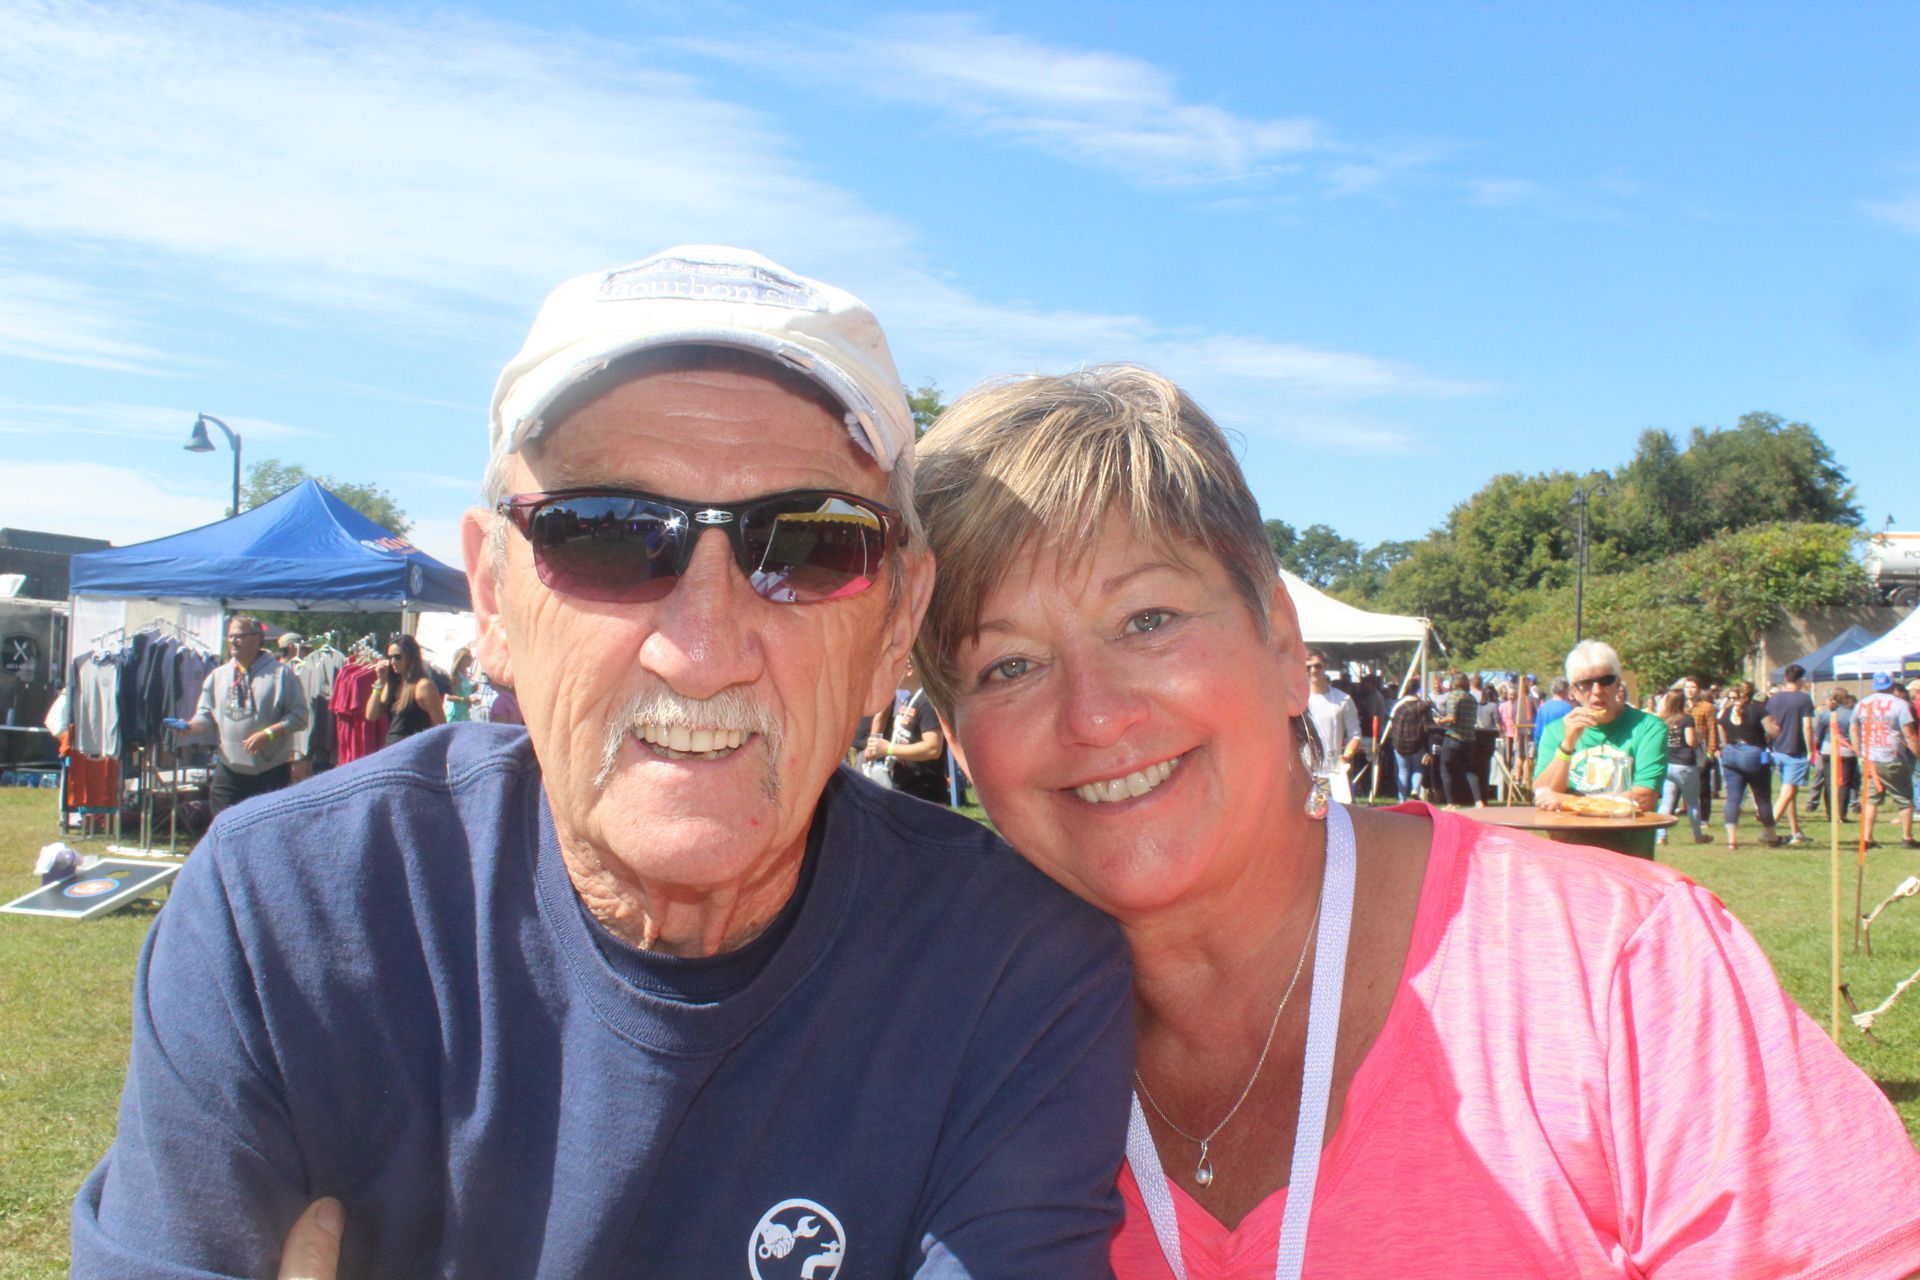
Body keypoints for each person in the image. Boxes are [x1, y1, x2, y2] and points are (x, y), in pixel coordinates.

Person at [74, 247, 1132, 1277]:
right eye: (607, 535)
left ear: (898, 621)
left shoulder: (1010, 970)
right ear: (493, 597)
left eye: (809, 545)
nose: (704, 646)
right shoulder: (293, 912)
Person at [908, 363, 1920, 1277]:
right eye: (1010, 664)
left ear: (1283, 645)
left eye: (1148, 620)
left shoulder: (1618, 973)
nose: (1093, 712)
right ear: (958, 738)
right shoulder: (938, 1062)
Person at [165, 614, 311, 817]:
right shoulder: (218, 675)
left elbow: (300, 717)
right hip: (229, 770)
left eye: (239, 636)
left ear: (256, 638)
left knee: (262, 833)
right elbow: (205, 716)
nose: (233, 641)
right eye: (230, 636)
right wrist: (190, 727)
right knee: (222, 828)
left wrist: (268, 734)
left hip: (268, 772)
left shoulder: (281, 675)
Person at [1532, 640, 1665, 816]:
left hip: (1623, 840)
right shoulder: (1555, 731)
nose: (1597, 690)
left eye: (1606, 680)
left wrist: (1570, 801)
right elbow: (1543, 794)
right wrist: (1567, 744)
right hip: (1569, 841)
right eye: (1586, 683)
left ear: (1618, 684)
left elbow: (1643, 798)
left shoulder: (1649, 727)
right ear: (1573, 691)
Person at [862, 658, 950, 804]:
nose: (891, 675)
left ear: (909, 670)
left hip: (925, 792)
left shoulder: (926, 702)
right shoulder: (909, 699)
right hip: (907, 785)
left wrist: (889, 748)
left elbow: (933, 748)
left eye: (896, 669)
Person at [1852, 670, 1920, 850]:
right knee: (1904, 797)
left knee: (1871, 799)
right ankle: (1907, 837)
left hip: (1870, 758)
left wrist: (1859, 752)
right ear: (1891, 685)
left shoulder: (1862, 704)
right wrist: (1917, 753)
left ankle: (1867, 837)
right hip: (1893, 757)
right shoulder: (1900, 705)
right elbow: (1909, 733)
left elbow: (1854, 729)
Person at [1716, 681, 1782, 850]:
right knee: (1762, 798)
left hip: (1730, 753)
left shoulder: (1728, 710)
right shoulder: (1758, 709)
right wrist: (1775, 726)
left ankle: (1732, 841)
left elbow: (1721, 729)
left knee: (1732, 798)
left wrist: (1726, 746)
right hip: (1753, 753)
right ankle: (1771, 835)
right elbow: (1773, 730)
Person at [1763, 663, 1817, 845]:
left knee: (1789, 792)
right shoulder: (1804, 699)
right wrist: (1811, 750)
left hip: (1778, 749)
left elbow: (1769, 724)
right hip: (1796, 750)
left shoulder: (1774, 699)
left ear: (1786, 678)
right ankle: (1768, 829)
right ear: (1801, 679)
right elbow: (1807, 726)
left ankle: (1796, 832)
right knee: (1788, 792)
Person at [364, 634, 445, 745]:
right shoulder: (392, 683)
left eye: (397, 657)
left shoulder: (423, 686)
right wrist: (380, 682)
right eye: (389, 657)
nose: (392, 661)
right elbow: (371, 715)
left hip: (414, 750)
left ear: (411, 657)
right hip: (392, 750)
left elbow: (442, 725)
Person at [1304, 651, 1361, 797]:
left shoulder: (1343, 700)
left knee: (1341, 817)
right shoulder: (1299, 700)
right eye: (1308, 667)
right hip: (1305, 775)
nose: (1313, 671)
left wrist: (1346, 756)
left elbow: (1355, 735)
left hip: (1334, 775)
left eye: (1317, 666)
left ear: (1325, 667)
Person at [1654, 689, 1708, 845]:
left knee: (1666, 802)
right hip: (1684, 765)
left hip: (1667, 764)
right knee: (1692, 802)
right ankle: (1698, 836)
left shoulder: (1661, 719)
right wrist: (1698, 738)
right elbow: (1690, 741)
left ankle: (1661, 836)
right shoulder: (1686, 719)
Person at [1434, 670, 1481, 807]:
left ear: (1455, 683)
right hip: (1470, 738)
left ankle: (1451, 803)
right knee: (1470, 770)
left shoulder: (1454, 696)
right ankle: (1479, 801)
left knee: (1445, 769)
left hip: (1454, 737)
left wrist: (1440, 721)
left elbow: (1452, 717)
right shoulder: (1472, 698)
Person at [1385, 679, 1431, 803]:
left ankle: (1402, 798)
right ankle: (1415, 789)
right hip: (1417, 742)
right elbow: (1428, 726)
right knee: (1417, 769)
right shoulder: (1423, 705)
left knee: (1403, 770)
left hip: (1400, 742)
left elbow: (1391, 722)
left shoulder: (1399, 705)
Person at [1531, 674, 1573, 750]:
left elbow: (1537, 730)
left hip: (1544, 745)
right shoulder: (1568, 708)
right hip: (1560, 748)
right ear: (1566, 689)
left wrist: (1538, 743)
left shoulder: (1543, 707)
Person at [443, 647, 477, 723]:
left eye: (471, 657)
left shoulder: (465, 675)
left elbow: (462, 692)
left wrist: (473, 689)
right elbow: (449, 697)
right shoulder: (456, 676)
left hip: (464, 713)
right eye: (468, 657)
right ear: (461, 660)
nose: (471, 660)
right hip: (455, 714)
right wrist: (465, 700)